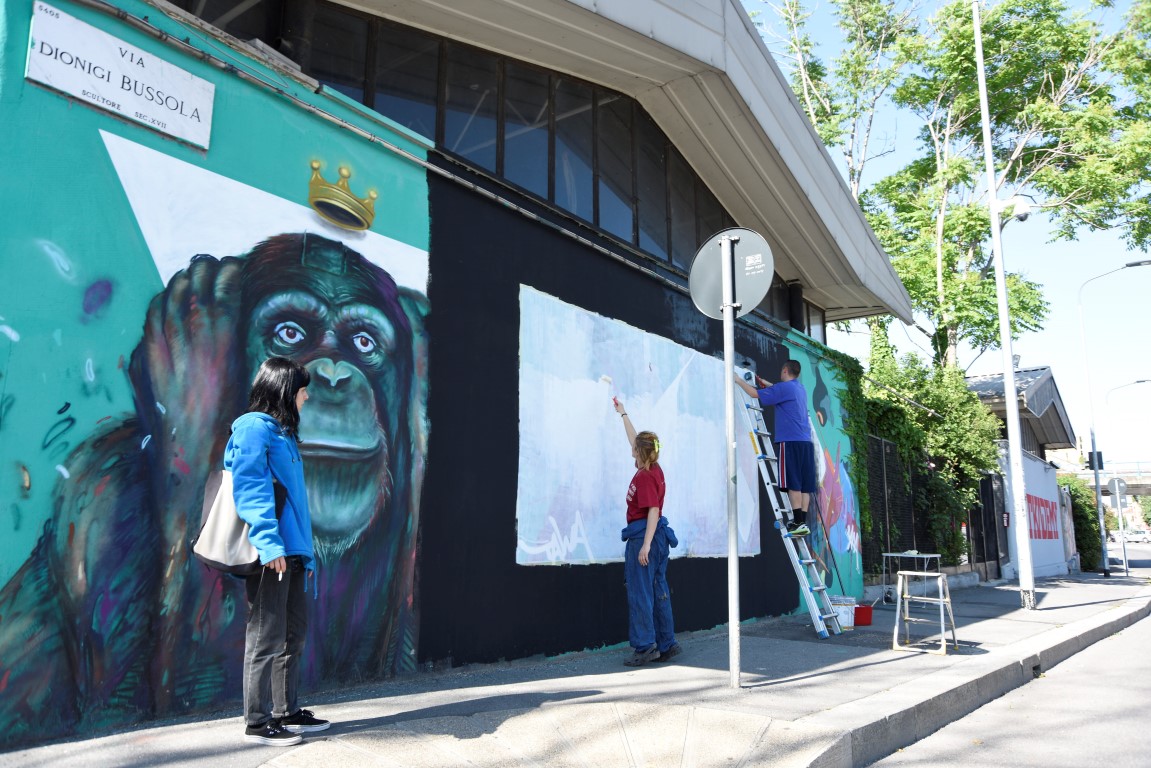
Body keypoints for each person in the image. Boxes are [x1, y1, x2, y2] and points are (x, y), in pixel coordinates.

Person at [228, 357, 330, 746]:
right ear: (285, 390)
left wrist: (302, 552)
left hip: (293, 553)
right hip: (272, 554)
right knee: (266, 636)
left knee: (293, 634)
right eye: (302, 389)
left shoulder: (283, 433)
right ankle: (257, 721)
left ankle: (285, 710)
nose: (306, 397)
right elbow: (250, 488)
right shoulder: (254, 428)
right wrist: (269, 545)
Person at [613, 397, 680, 666]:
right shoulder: (654, 468)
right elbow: (635, 440)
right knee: (658, 589)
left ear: (642, 454)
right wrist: (623, 414)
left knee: (641, 593)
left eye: (634, 450)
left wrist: (645, 546)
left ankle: (645, 648)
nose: (631, 451)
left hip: (645, 535)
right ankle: (666, 643)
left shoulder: (645, 476)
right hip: (655, 536)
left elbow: (653, 510)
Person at [735, 359, 816, 537]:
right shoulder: (799, 389)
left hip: (790, 441)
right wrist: (769, 385)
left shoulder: (784, 389)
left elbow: (754, 394)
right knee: (804, 486)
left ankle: (797, 522)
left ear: (785, 370)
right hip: (805, 443)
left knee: (793, 482)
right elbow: (779, 390)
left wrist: (737, 380)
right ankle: (801, 522)